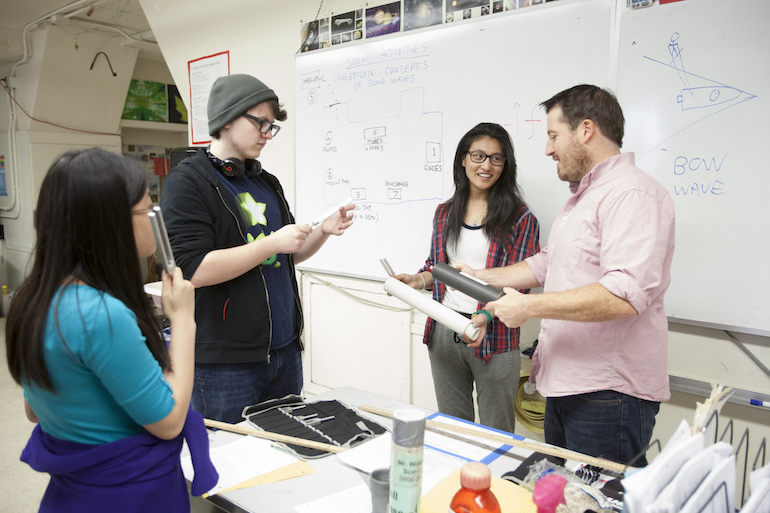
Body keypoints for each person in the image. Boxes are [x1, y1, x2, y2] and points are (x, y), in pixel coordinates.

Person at [459, 85, 675, 466]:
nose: (548, 149)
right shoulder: (583, 197)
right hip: (566, 384)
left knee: (597, 503)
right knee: (565, 498)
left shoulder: (632, 195)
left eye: (553, 135)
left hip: (608, 395)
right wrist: (483, 276)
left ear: (585, 130)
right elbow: (548, 263)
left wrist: (528, 307)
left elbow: (623, 295)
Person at [5, 148, 215, 511]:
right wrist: (183, 321)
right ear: (110, 223)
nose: (154, 218)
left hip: (72, 494)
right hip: (130, 497)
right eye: (146, 209)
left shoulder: (33, 301)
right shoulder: (100, 314)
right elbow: (168, 422)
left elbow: (35, 410)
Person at [161, 74, 355, 424]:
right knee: (230, 464)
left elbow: (287, 253)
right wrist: (271, 242)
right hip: (226, 363)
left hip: (284, 352)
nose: (268, 134)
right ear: (228, 118)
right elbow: (193, 270)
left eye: (272, 126)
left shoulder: (266, 182)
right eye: (261, 123)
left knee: (288, 453)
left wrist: (322, 232)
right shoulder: (188, 181)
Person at [394, 123, 540, 432]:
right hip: (444, 330)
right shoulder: (445, 213)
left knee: (496, 434)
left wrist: (485, 314)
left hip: (495, 337)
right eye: (478, 156)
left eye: (496, 158)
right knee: (453, 429)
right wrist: (416, 281)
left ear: (505, 165)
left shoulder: (521, 218)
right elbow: (437, 268)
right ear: (463, 159)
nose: (486, 166)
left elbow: (521, 286)